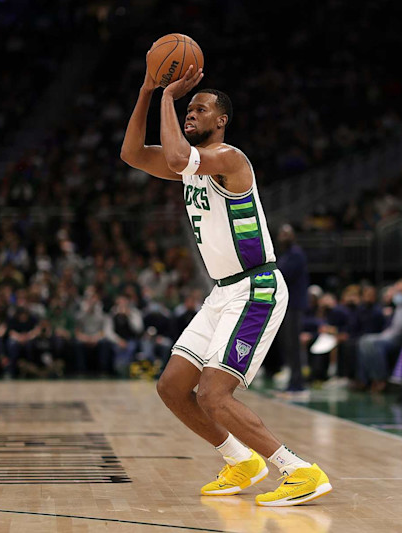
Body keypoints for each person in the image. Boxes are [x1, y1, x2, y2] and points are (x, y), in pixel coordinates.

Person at [120, 58, 330, 506]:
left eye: (200, 109)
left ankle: (300, 470)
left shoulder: (228, 159)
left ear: (222, 121)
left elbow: (177, 156)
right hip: (224, 291)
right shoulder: (190, 165)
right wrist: (145, 90)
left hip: (256, 288)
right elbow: (133, 154)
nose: (191, 113)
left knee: (214, 394)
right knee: (173, 387)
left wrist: (169, 97)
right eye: (188, 109)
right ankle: (241, 460)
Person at [273, 224, 309, 393]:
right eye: (281, 234)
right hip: (286, 306)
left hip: (294, 306)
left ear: (293, 236)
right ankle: (292, 382)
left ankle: (298, 384)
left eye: (286, 234)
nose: (283, 237)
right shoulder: (285, 255)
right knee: (288, 345)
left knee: (294, 345)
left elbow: (282, 275)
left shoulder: (295, 254)